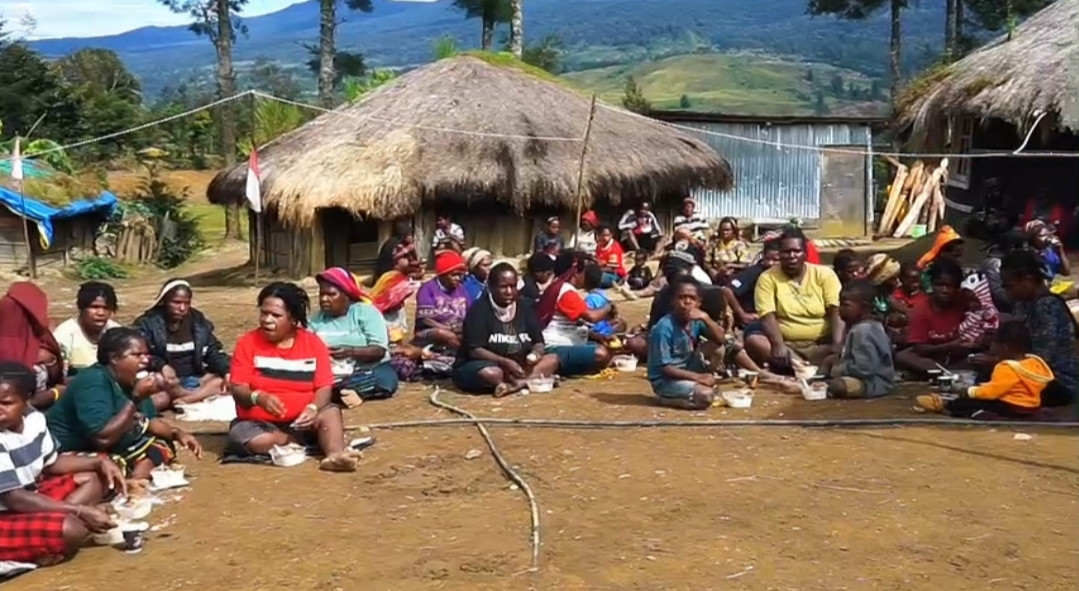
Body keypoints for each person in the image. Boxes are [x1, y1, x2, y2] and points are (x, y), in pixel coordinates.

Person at [226, 282, 363, 473]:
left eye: (276, 315)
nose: (267, 320)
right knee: (241, 436)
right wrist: (258, 397)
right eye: (264, 313)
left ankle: (334, 455)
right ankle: (293, 442)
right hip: (260, 426)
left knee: (330, 413)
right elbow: (238, 388)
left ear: (293, 319)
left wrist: (313, 408)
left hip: (305, 421)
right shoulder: (247, 343)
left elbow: (324, 387)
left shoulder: (313, 344)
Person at [0, 361, 124, 566]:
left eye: (6, 403)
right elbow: (14, 498)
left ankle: (51, 530)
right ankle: (49, 536)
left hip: (29, 496)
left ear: (27, 400)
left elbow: (51, 463)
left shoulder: (34, 421)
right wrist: (79, 511)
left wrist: (98, 463)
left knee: (95, 478)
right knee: (71, 529)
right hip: (9, 508)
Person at [46, 327, 203, 478]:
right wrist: (135, 399)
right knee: (109, 465)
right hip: (70, 450)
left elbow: (149, 421)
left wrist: (177, 433)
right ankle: (130, 481)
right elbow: (102, 438)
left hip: (111, 444)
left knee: (162, 444)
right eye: (137, 355)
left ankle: (135, 479)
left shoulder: (130, 380)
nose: (145, 361)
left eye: (146, 355)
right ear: (114, 358)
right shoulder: (93, 381)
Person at [453, 263, 560, 397]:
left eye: (513, 286)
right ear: (491, 287)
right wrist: (505, 362)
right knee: (492, 373)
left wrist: (535, 354)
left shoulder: (525, 307)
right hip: (484, 365)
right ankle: (526, 381)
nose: (509, 291)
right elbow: (475, 350)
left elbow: (538, 342)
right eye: (503, 287)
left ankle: (518, 384)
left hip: (519, 365)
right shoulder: (479, 310)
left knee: (552, 359)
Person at [989, 249, 1078, 406]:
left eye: (1010, 286)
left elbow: (1042, 359)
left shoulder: (1047, 306)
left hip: (1057, 380)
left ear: (1028, 279)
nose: (1007, 292)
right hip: (1030, 371)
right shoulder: (1022, 303)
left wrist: (999, 360)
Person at [746, 228, 843, 369]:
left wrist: (837, 345)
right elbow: (767, 316)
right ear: (779, 254)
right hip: (787, 346)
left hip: (822, 343)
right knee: (754, 340)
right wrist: (778, 344)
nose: (792, 256)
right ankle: (804, 368)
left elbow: (836, 311)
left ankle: (803, 368)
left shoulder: (824, 274)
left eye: (797, 251)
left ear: (805, 254)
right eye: (786, 252)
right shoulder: (767, 278)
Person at [915, 322, 1052, 418]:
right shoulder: (1034, 362)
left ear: (1004, 348)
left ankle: (945, 404)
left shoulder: (1006, 367)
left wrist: (970, 391)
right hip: (1032, 406)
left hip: (1012, 407)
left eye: (995, 344)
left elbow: (992, 393)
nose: (992, 348)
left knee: (967, 403)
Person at [132, 279, 231, 406]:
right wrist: (162, 366)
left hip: (197, 378)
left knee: (230, 376)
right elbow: (139, 354)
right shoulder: (148, 323)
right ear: (164, 301)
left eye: (187, 303)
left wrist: (226, 370)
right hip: (166, 380)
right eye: (176, 303)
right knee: (153, 382)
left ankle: (187, 397)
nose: (182, 308)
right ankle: (193, 395)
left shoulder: (198, 322)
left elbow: (213, 351)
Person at [309, 268, 399, 403]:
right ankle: (343, 393)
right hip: (330, 374)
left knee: (386, 379)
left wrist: (350, 351)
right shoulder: (314, 321)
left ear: (346, 295)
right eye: (321, 294)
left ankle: (334, 394)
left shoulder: (365, 312)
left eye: (331, 294)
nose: (324, 299)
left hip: (365, 369)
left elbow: (379, 350)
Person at [647, 275, 725, 410]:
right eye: (681, 297)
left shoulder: (696, 320)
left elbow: (720, 340)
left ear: (698, 303)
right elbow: (664, 367)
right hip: (666, 380)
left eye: (692, 298)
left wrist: (706, 318)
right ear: (673, 301)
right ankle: (667, 399)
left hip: (687, 368)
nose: (687, 302)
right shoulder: (663, 327)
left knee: (718, 348)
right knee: (706, 396)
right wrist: (698, 377)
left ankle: (699, 384)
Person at [894, 259, 976, 378]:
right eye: (940, 285)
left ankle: (931, 373)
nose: (944, 291)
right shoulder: (920, 310)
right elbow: (920, 349)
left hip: (960, 355)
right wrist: (949, 346)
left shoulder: (963, 301)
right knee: (903, 357)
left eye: (950, 286)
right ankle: (940, 372)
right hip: (931, 355)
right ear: (932, 284)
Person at [535, 252, 614, 376]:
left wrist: (597, 337)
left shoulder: (557, 286)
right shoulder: (566, 291)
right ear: (576, 272)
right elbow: (592, 317)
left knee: (605, 347)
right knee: (601, 354)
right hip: (554, 346)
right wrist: (609, 307)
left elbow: (573, 324)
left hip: (558, 341)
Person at [821, 280, 895, 399]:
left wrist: (837, 368)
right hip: (866, 378)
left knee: (837, 386)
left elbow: (864, 370)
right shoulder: (862, 326)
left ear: (864, 307)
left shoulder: (863, 331)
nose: (840, 309)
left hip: (873, 383)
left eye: (845, 305)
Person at [0, 283, 65, 410]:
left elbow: (57, 376)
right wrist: (55, 393)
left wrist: (51, 361)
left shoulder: (42, 339)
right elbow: (22, 403)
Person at [52, 282, 121, 376]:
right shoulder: (65, 335)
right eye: (94, 307)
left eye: (106, 308)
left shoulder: (116, 333)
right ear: (81, 308)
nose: (101, 313)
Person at [414, 251, 470, 351]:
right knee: (443, 334)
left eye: (460, 275)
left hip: (457, 330)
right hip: (429, 332)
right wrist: (447, 329)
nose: (458, 278)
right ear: (443, 274)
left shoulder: (462, 290)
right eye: (454, 275)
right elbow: (424, 319)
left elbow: (470, 314)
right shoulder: (428, 288)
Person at [721, 239, 779, 328]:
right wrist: (742, 314)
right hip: (757, 320)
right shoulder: (753, 273)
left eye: (776, 260)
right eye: (767, 259)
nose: (771, 263)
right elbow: (727, 290)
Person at [582, 265, 626, 339]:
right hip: (605, 326)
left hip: (597, 331)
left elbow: (588, 322)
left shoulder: (589, 299)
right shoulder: (603, 294)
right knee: (621, 323)